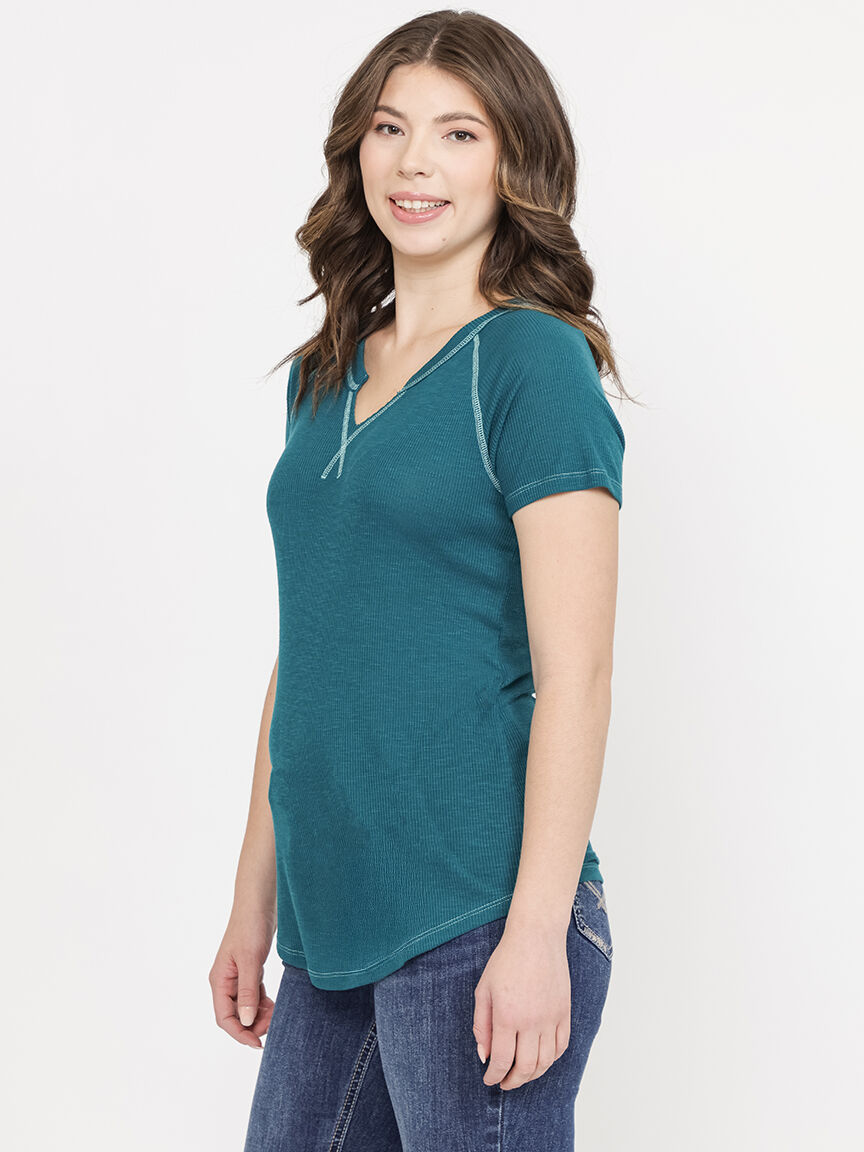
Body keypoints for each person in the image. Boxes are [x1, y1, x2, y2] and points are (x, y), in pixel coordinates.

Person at [210, 10, 637, 1150]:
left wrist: (536, 931)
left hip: (475, 911)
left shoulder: (533, 363)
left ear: (513, 160)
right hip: (331, 918)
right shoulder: (322, 377)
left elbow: (579, 674)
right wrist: (254, 901)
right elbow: (310, 651)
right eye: (391, 128)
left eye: (459, 133)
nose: (415, 163)